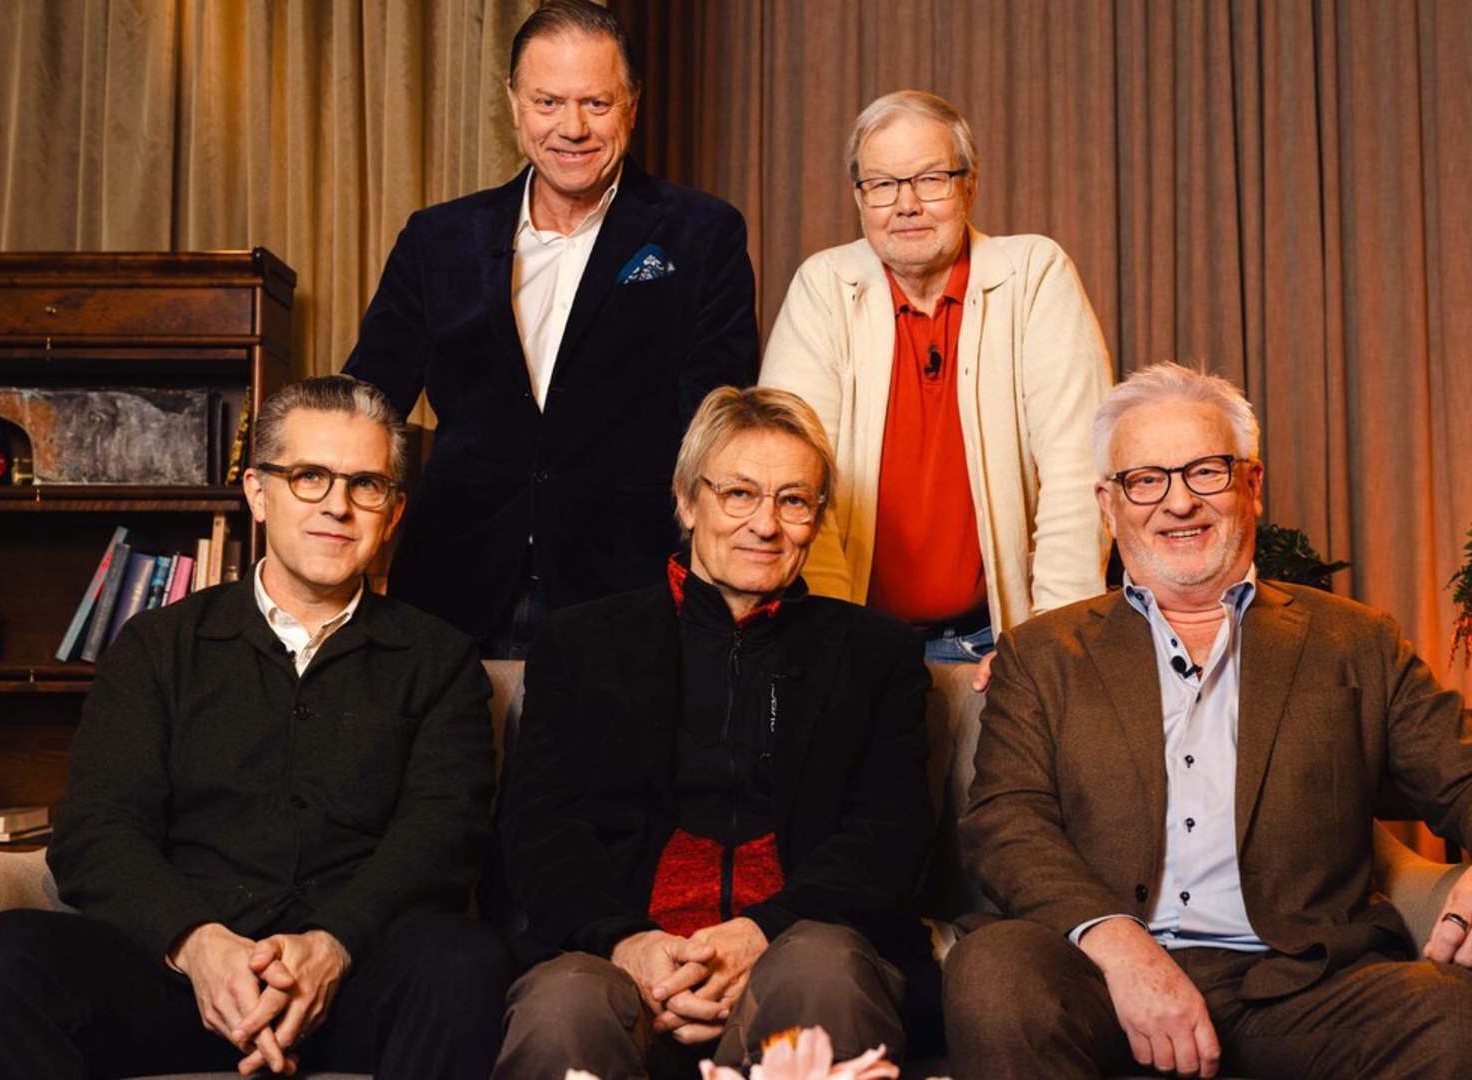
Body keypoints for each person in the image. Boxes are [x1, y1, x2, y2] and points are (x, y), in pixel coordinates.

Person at [943, 363, 1472, 1079]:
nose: (1179, 502)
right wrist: (1121, 947)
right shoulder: (1042, 653)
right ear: (1108, 506)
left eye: (1205, 472)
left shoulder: (1354, 641)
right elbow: (1007, 823)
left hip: (1305, 987)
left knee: (1458, 1019)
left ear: (1252, 484)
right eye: (1146, 479)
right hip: (1099, 979)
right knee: (995, 973)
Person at [0, 375, 511, 1078]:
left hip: (355, 978)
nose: (337, 505)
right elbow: (97, 831)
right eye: (309, 477)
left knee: (464, 963)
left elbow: (442, 840)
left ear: (392, 513)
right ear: (258, 493)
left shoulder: (441, 660)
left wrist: (330, 946)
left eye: (366, 485)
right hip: (171, 979)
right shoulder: (157, 646)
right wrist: (197, 944)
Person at [494, 386, 935, 1078]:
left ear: (817, 519)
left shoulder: (877, 656)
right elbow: (540, 829)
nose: (766, 525)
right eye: (739, 494)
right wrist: (629, 943)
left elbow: (890, 836)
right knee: (564, 1008)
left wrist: (763, 933)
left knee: (820, 974)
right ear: (687, 500)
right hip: (619, 956)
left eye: (794, 501)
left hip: (804, 948)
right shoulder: (581, 644)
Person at [345, 0, 758, 658]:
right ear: (514, 103)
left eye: (596, 103)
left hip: (628, 590)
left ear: (631, 105)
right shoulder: (437, 238)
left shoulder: (704, 234)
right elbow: (365, 405)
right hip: (453, 583)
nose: (572, 128)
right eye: (548, 102)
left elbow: (716, 423)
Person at [760, 89, 1112, 690]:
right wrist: (833, 641)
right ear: (859, 198)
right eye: (882, 185)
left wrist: (1046, 645)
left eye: (930, 179)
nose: (907, 205)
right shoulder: (823, 286)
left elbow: (1077, 473)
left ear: (969, 186)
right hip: (860, 637)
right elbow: (793, 481)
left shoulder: (1035, 274)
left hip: (998, 640)